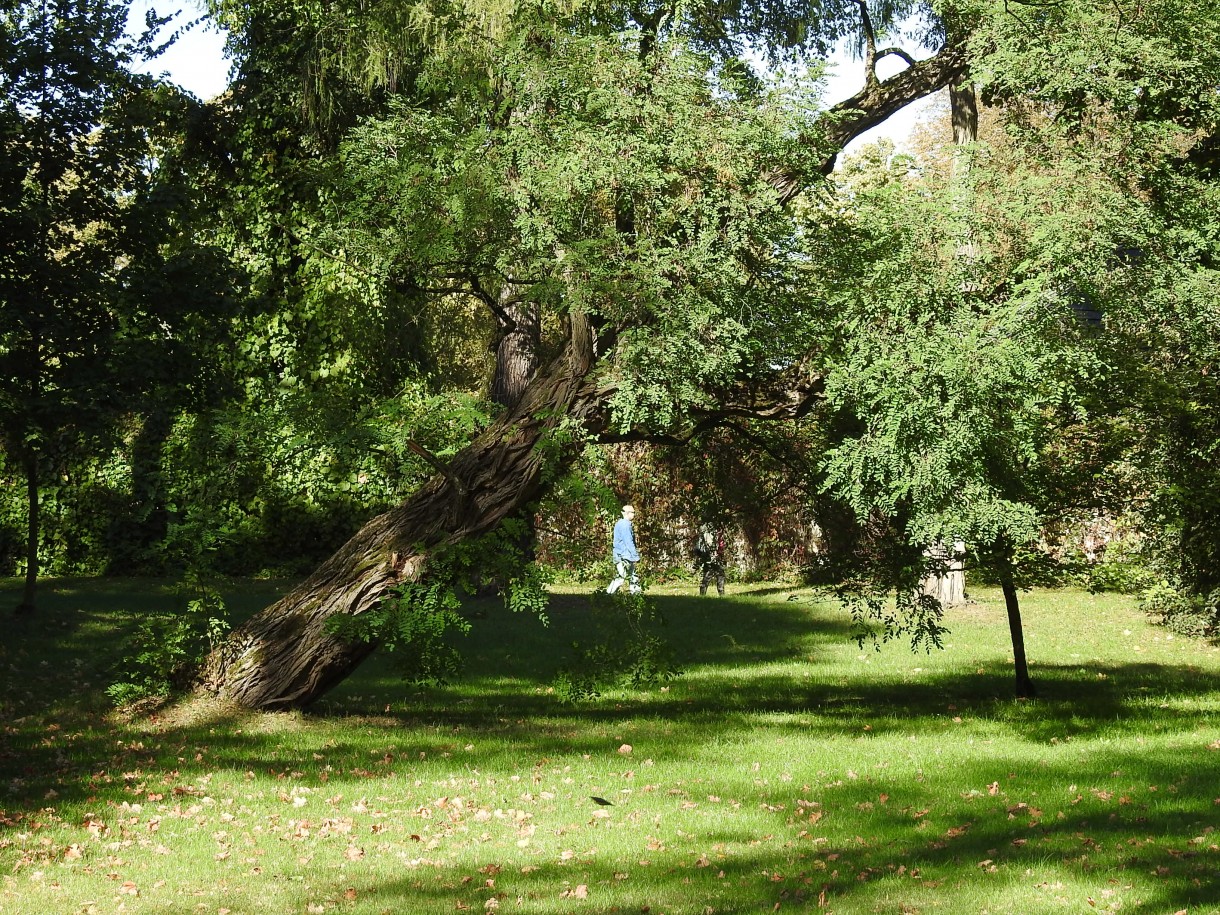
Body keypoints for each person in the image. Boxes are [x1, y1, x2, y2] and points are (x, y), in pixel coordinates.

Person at [606, 504, 641, 594]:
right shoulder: (625, 525)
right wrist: (635, 555)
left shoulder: (619, 523)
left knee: (632, 575)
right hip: (624, 555)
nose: (634, 514)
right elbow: (628, 542)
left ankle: (636, 594)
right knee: (622, 577)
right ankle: (609, 593)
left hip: (619, 554)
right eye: (633, 512)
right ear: (628, 513)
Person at [695, 525, 726, 597]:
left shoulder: (703, 532)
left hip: (707, 557)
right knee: (719, 574)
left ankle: (702, 595)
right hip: (712, 557)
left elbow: (697, 550)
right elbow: (718, 546)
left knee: (709, 575)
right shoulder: (711, 533)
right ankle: (721, 595)